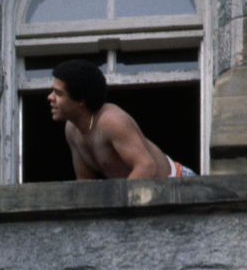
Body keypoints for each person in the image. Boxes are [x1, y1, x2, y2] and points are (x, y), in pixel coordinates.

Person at [48, 59, 196, 180]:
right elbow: (85, 181)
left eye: (58, 93)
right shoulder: (72, 129)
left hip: (178, 183)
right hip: (142, 194)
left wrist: (119, 209)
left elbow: (146, 167)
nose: (50, 97)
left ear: (80, 100)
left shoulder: (111, 121)